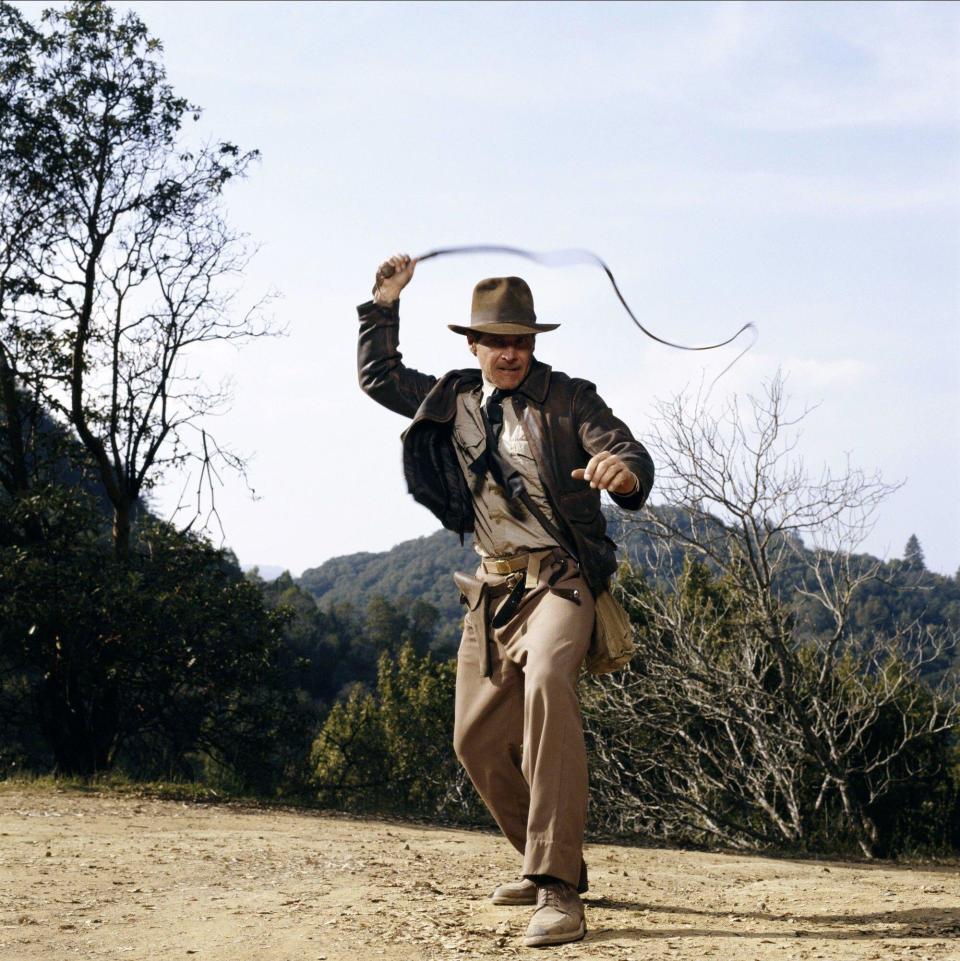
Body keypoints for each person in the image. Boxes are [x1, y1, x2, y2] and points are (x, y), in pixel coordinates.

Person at [356, 253, 654, 948]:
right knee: (475, 740)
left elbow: (626, 452)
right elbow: (379, 378)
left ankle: (557, 887)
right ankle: (546, 853)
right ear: (474, 345)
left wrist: (622, 473)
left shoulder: (570, 398)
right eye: (499, 340)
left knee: (550, 678)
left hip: (561, 579)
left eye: (522, 340)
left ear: (534, 344)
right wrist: (383, 304)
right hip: (492, 589)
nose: (512, 352)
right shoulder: (453, 398)